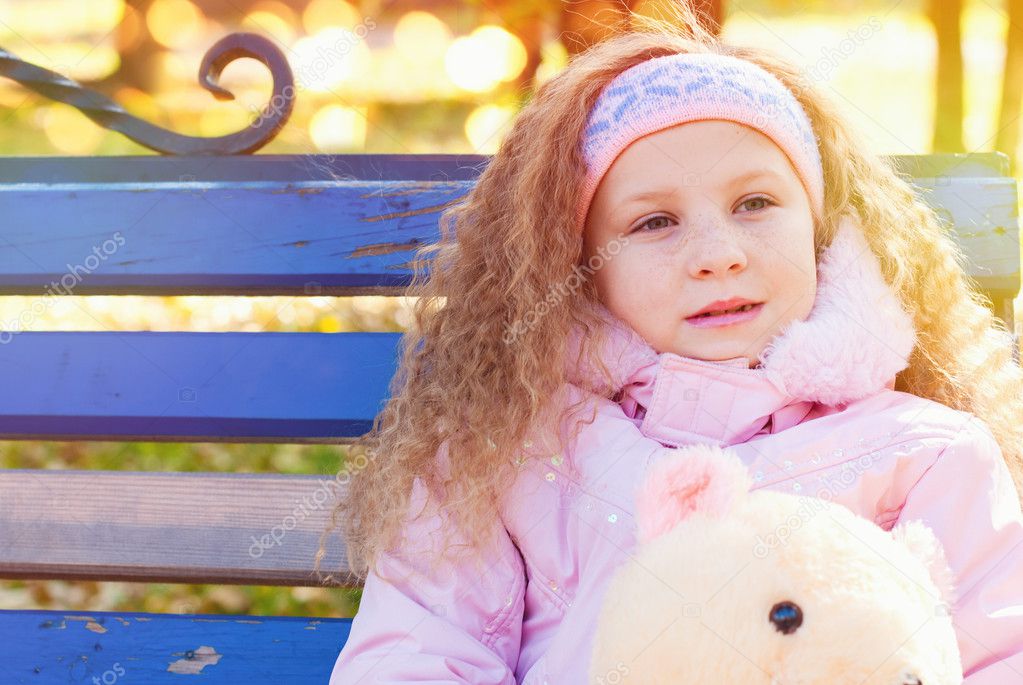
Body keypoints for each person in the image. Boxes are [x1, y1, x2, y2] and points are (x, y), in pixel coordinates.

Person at [321, 7, 1023, 684]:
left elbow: (999, 656)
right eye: (654, 222)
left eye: (754, 203)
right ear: (579, 267)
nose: (717, 255)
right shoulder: (503, 452)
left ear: (817, 226)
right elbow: (416, 652)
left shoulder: (925, 456)